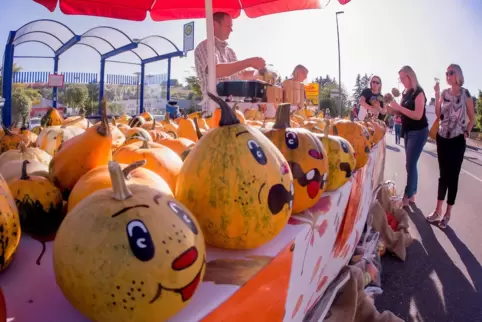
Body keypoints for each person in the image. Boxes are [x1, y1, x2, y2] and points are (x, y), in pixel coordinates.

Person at [426, 64, 475, 228]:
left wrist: (467, 132)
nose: (448, 75)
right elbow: (439, 113)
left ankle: (447, 214)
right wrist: (437, 93)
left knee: (453, 177)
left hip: (457, 140)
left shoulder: (465, 94)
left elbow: (472, 118)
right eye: (446, 73)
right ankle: (437, 210)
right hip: (442, 137)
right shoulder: (445, 93)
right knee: (443, 176)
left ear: (458, 75)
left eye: (451, 72)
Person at [194, 12, 266, 109]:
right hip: (215, 109)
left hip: (235, 109)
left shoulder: (230, 51)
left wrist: (261, 73)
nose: (231, 30)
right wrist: (248, 62)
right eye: (228, 26)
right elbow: (215, 71)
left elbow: (240, 75)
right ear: (214, 25)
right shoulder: (204, 47)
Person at [388, 66, 428, 207]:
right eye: (399, 78)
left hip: (419, 132)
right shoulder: (405, 93)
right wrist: (388, 109)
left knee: (410, 164)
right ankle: (412, 196)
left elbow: (417, 115)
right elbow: (400, 113)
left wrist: (398, 108)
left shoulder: (419, 92)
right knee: (412, 164)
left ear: (410, 77)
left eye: (402, 78)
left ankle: (406, 197)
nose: (401, 81)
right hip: (408, 131)